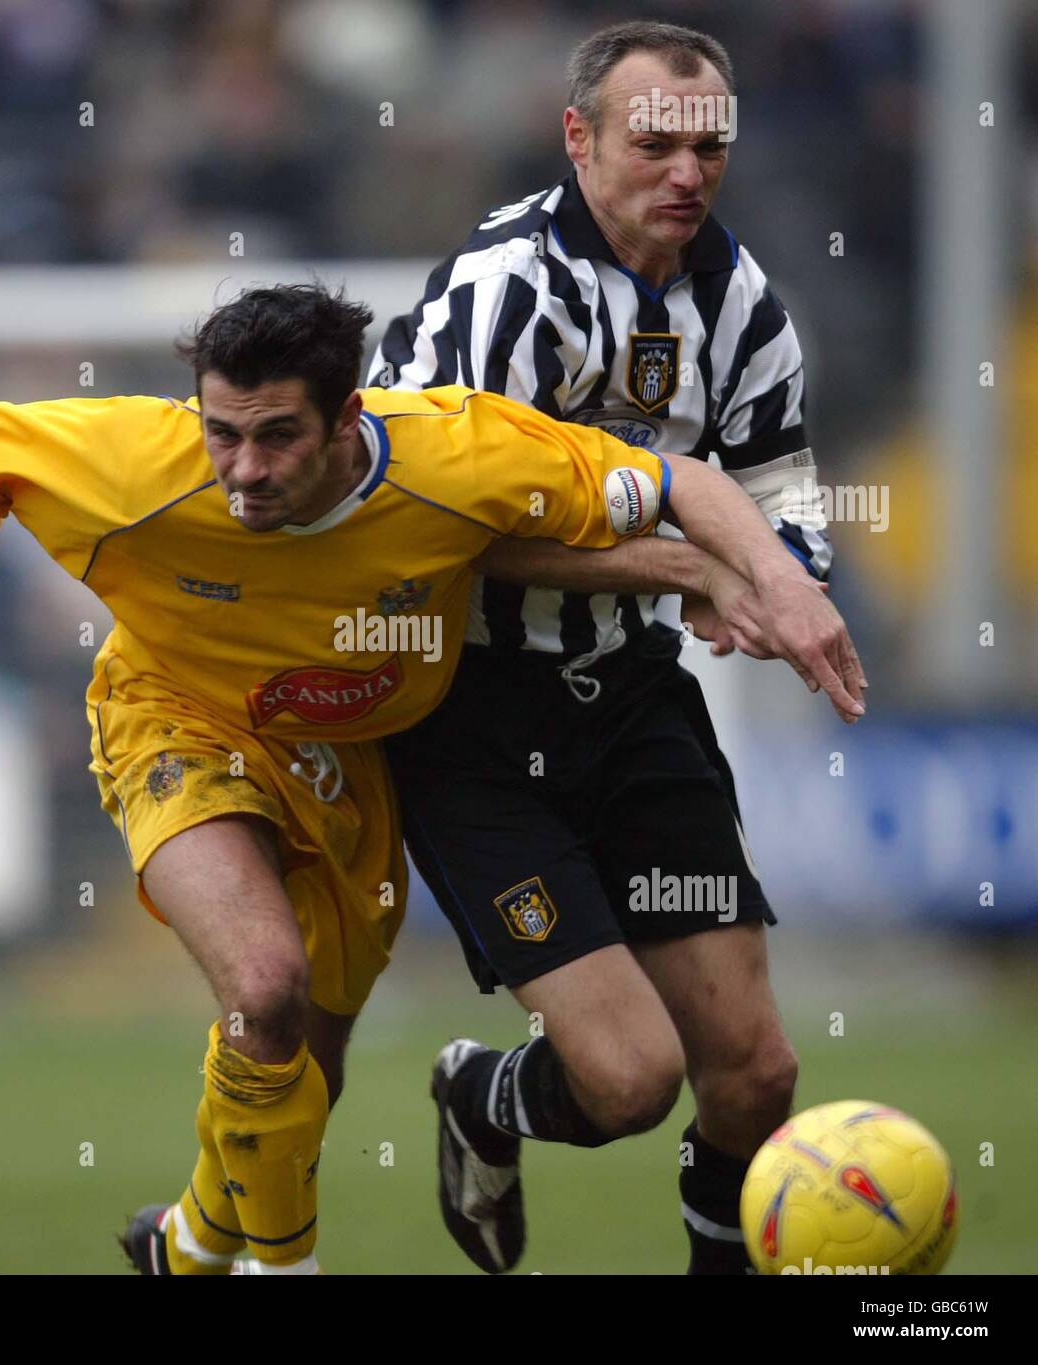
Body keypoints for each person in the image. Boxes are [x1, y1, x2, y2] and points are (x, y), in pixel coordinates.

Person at [0, 284, 861, 1275]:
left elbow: (676, 483)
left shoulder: (457, 453)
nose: (241, 468)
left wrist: (742, 574)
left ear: (346, 420)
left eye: (275, 435)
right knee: (264, 987)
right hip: (175, 719)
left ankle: (194, 1246)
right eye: (221, 431)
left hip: (346, 761)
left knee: (304, 1059)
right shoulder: (138, 458)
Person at [370, 20, 858, 1273]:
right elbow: (440, 532)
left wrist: (782, 582)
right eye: (656, 143)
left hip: (634, 700)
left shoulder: (743, 305)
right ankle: (485, 1094)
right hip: (474, 715)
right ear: (579, 140)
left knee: (754, 1072)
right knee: (633, 1081)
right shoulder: (503, 293)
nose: (687, 172)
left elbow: (782, 491)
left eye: (710, 145)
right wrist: (694, 567)